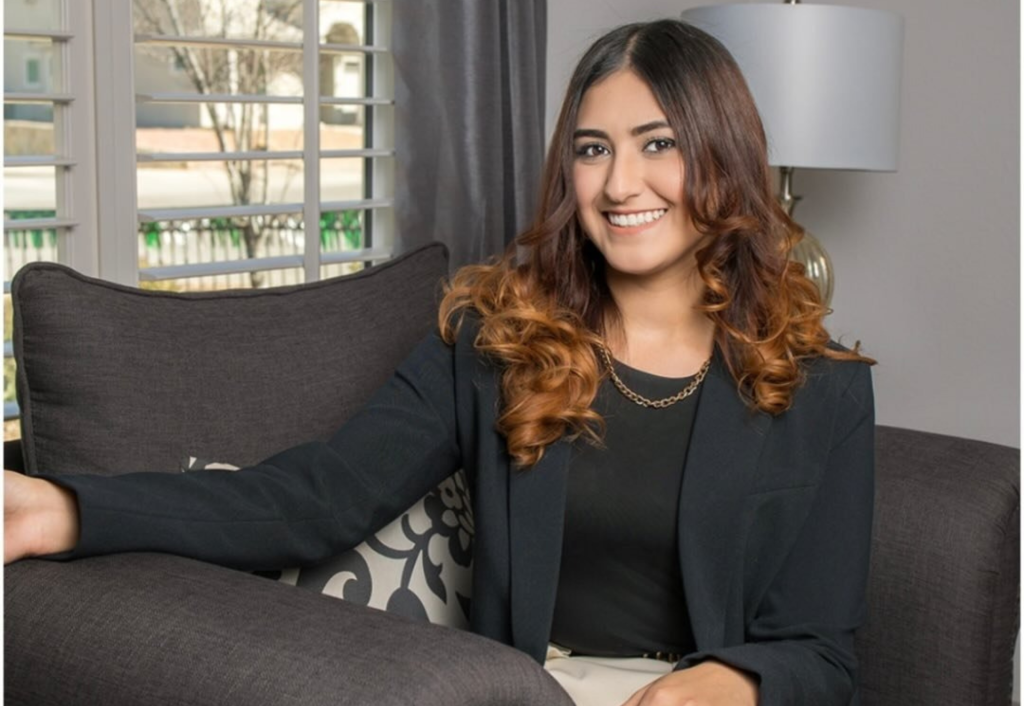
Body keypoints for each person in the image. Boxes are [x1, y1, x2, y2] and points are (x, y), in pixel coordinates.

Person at [4, 19, 875, 706]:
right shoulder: (497, 341)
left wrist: (740, 681)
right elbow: (310, 500)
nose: (618, 185)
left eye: (658, 144)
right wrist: (67, 510)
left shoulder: (824, 386)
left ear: (721, 156)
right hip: (525, 691)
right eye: (591, 147)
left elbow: (823, 652)